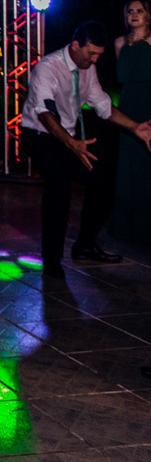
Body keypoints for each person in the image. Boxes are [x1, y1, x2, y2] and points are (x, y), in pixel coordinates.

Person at [20, 20, 151, 279]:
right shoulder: (47, 67)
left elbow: (102, 104)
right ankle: (52, 259)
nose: (94, 60)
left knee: (103, 180)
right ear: (75, 45)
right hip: (40, 135)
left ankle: (85, 245)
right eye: (91, 53)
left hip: (69, 137)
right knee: (59, 188)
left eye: (99, 56)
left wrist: (136, 127)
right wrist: (71, 145)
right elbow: (44, 113)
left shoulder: (87, 68)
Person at [111, 0, 151, 245]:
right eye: (130, 11)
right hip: (128, 106)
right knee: (128, 168)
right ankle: (128, 229)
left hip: (149, 103)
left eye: (140, 11)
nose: (134, 15)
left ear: (148, 15)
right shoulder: (119, 43)